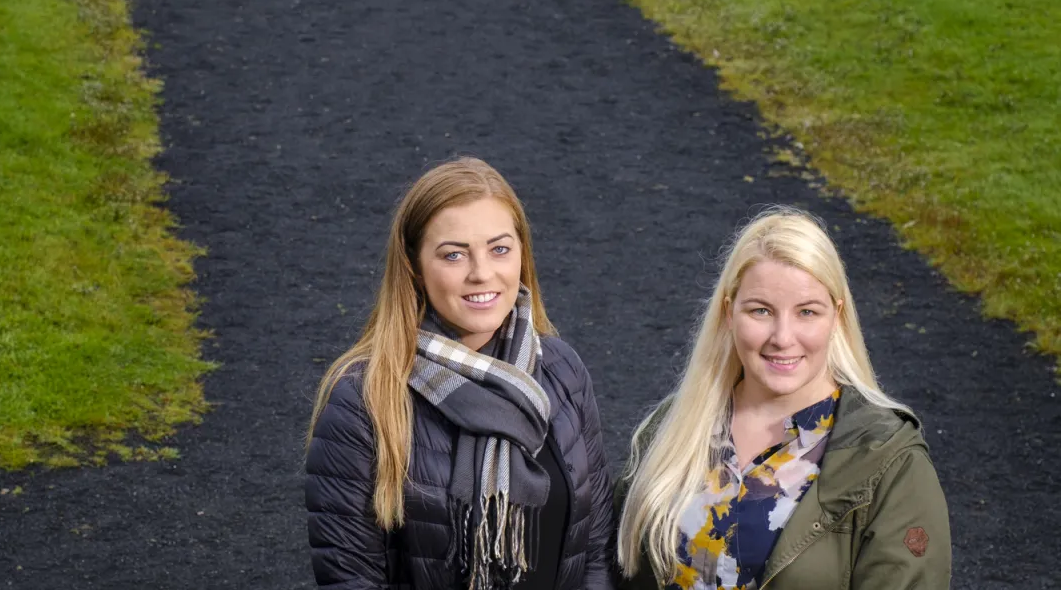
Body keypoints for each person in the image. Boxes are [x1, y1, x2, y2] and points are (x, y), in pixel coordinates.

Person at [304, 157, 614, 589]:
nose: (482, 273)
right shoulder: (364, 398)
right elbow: (350, 578)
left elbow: (594, 551)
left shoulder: (562, 370)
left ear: (522, 255)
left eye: (499, 248)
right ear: (415, 267)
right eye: (454, 255)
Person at [613, 207, 951, 589]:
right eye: (761, 310)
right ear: (729, 313)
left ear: (836, 317)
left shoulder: (889, 460)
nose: (783, 337)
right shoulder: (672, 429)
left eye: (807, 312)